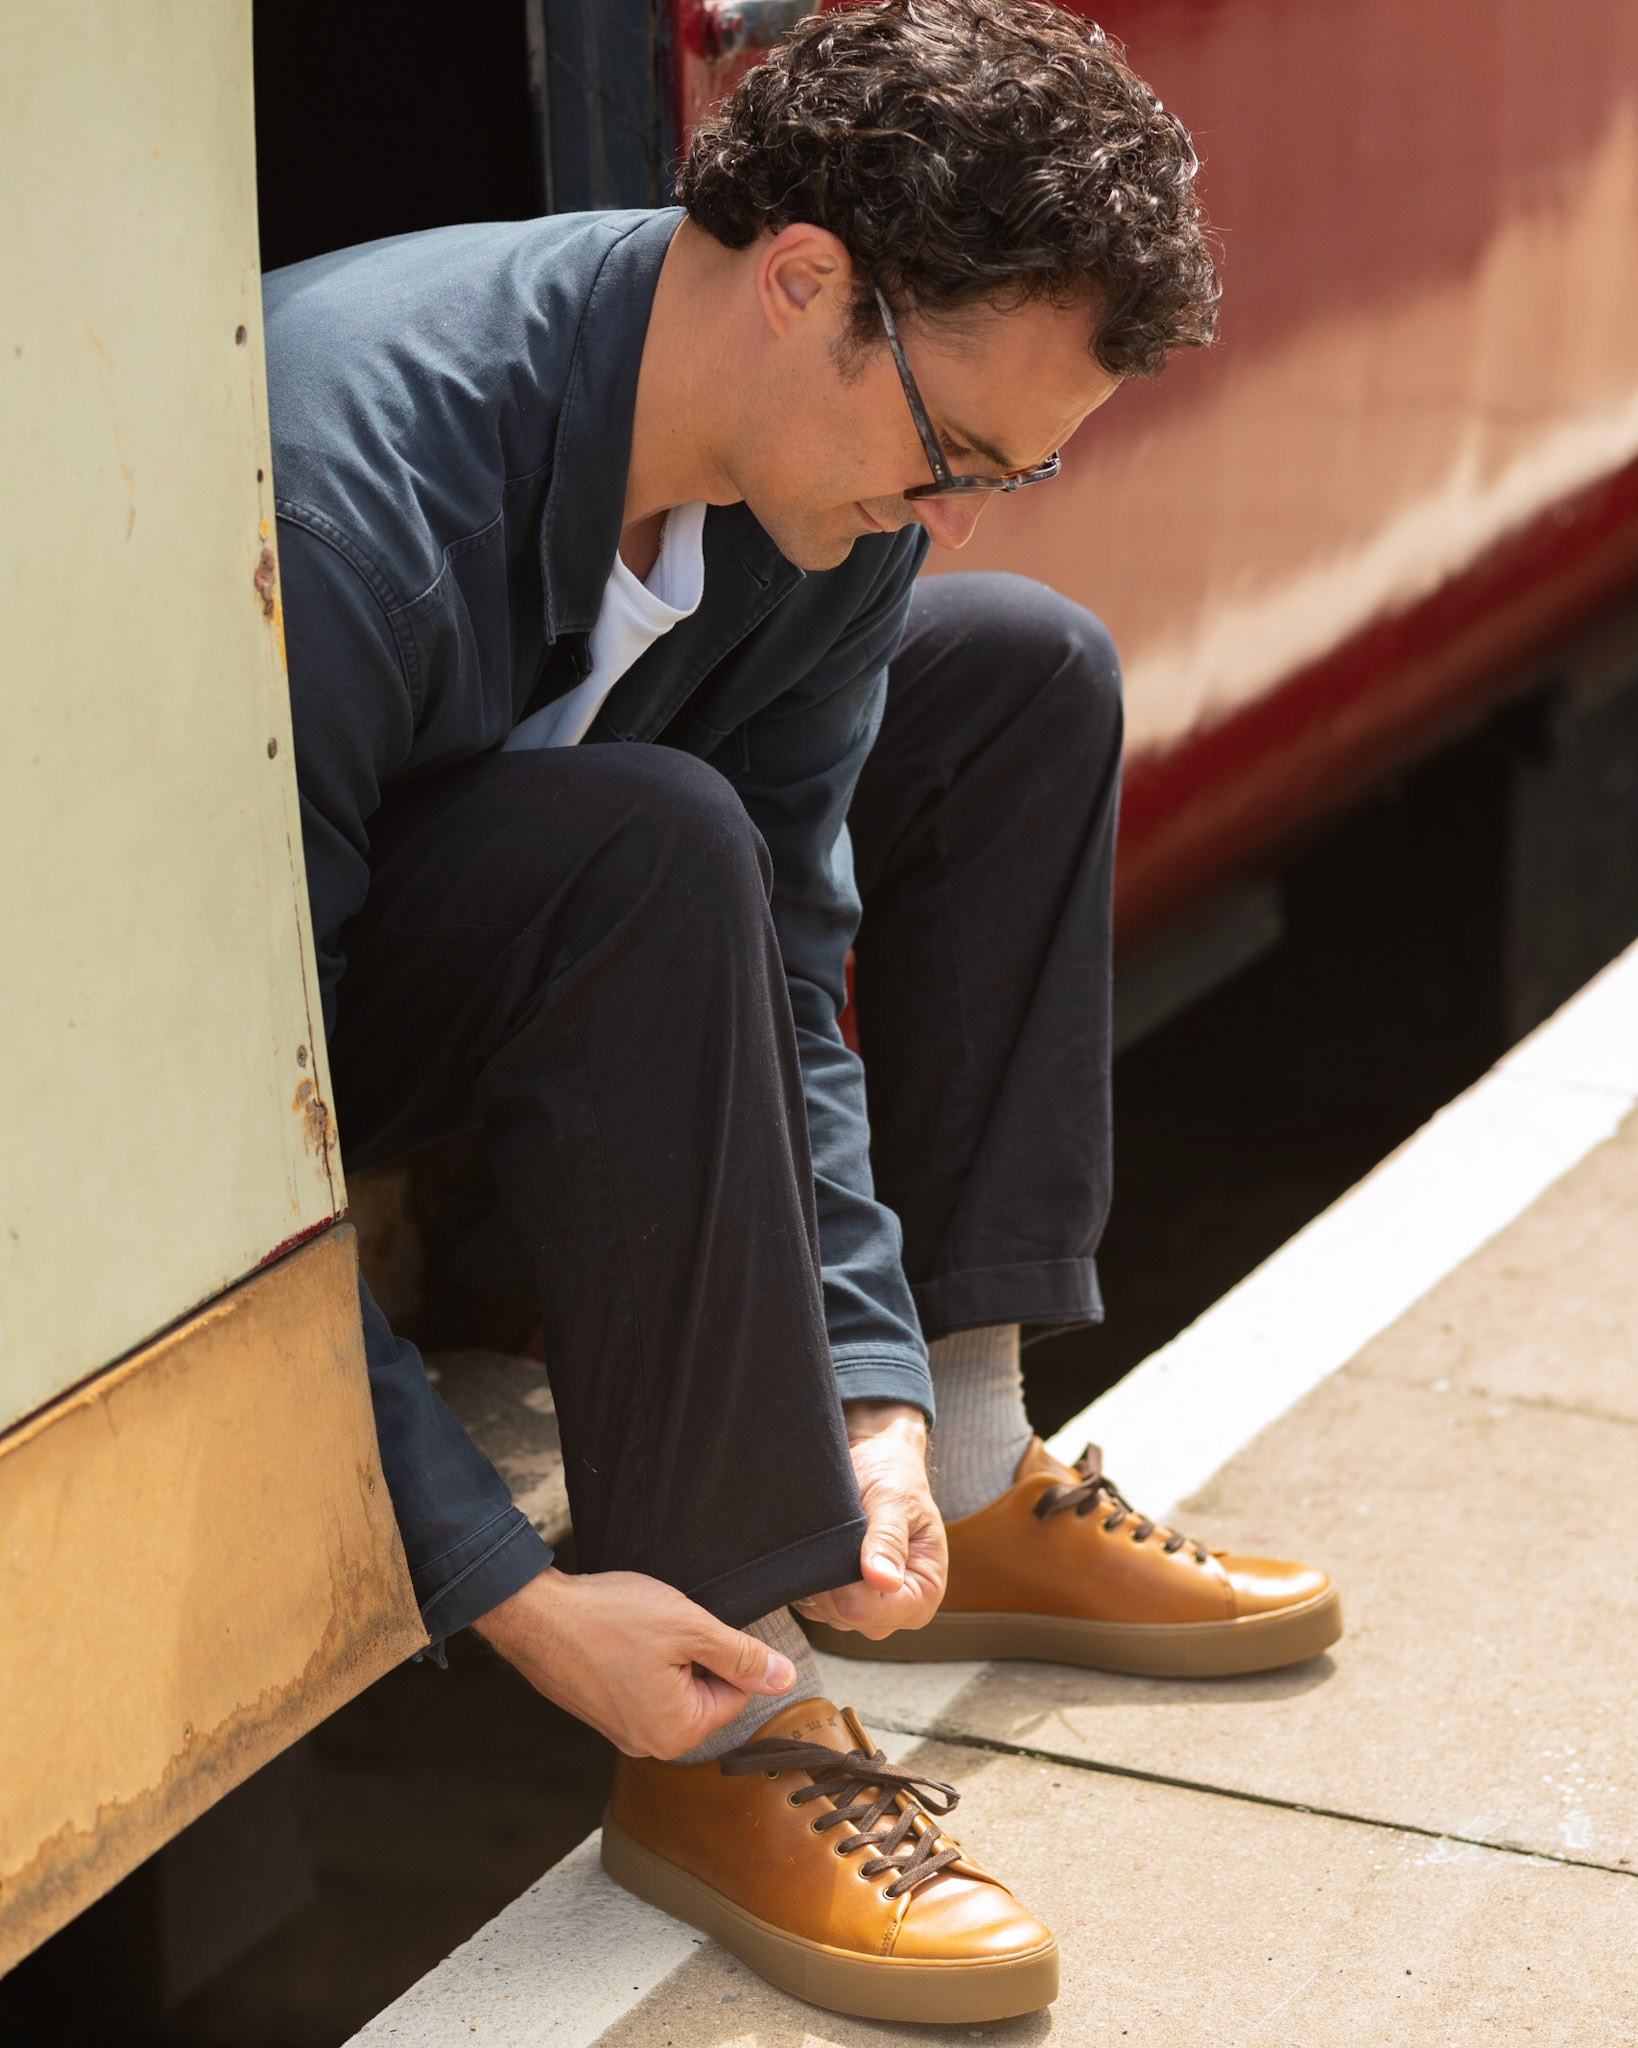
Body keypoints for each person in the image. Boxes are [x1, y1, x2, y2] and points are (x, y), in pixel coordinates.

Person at [265, 0, 1338, 2022]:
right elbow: (228, 1171)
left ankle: (963, 1456)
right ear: (803, 283)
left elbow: (787, 949)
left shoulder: (817, 485)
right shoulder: (336, 507)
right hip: (244, 1037)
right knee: (657, 833)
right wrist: (513, 1591)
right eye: (955, 453)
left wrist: (871, 1386)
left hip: (493, 909)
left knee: (1017, 668)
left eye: (1010, 467)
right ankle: (731, 1716)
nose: (952, 511)